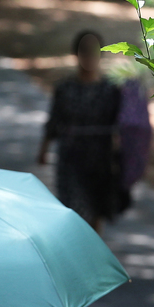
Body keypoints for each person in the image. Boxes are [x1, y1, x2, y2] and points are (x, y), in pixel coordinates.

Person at [37, 29, 122, 232]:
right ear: (76, 54)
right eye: (84, 50)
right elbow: (54, 120)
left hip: (99, 159)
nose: (89, 55)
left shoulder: (111, 90)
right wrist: (44, 149)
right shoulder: (65, 88)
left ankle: (92, 259)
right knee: (73, 211)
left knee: (96, 211)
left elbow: (121, 125)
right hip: (70, 159)